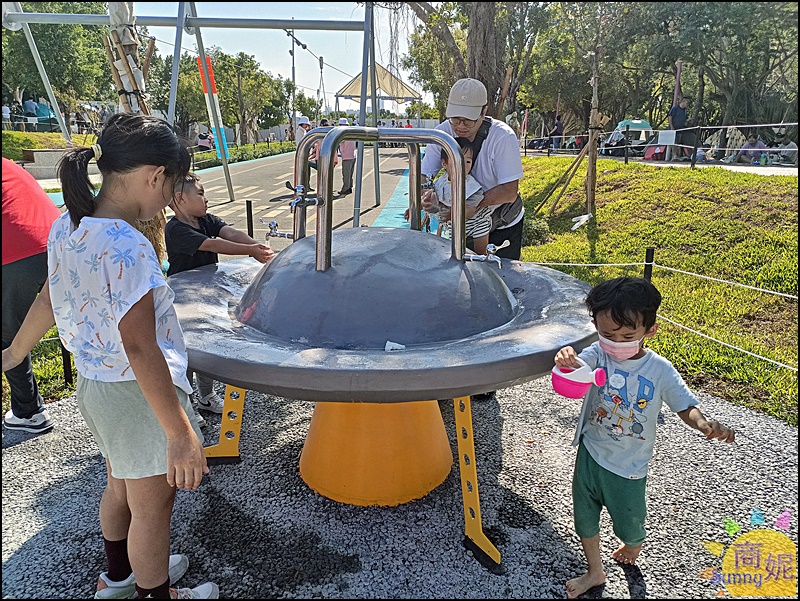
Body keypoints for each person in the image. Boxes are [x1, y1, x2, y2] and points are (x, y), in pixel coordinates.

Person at [1, 113, 219, 600]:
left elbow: (49, 298)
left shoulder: (68, 226)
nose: (167, 201)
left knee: (120, 485)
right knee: (152, 508)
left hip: (95, 389)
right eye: (170, 188)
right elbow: (140, 346)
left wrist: (15, 350)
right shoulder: (128, 246)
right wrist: (180, 432)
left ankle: (118, 576)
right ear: (154, 175)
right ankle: (154, 591)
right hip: (137, 394)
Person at [554, 277, 735, 599]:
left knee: (630, 523)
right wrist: (567, 361)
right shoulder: (599, 353)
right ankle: (594, 571)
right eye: (607, 334)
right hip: (590, 452)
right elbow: (578, 371)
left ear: (649, 330)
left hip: (628, 467)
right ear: (594, 324)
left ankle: (633, 544)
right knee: (584, 516)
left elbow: (685, 405)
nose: (615, 342)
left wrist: (704, 424)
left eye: (627, 336)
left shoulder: (660, 370)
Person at [165, 172, 273, 422]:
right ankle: (187, 405)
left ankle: (206, 396)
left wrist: (259, 247)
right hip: (183, 301)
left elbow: (230, 234)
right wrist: (250, 252)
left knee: (206, 347)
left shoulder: (206, 220)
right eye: (201, 194)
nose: (206, 199)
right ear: (180, 199)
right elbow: (212, 245)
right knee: (187, 353)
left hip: (207, 296)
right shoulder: (176, 230)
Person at [419, 78, 525, 262]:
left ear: (484, 111)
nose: (460, 126)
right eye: (455, 118)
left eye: (468, 120)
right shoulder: (441, 133)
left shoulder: (503, 137)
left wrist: (468, 205)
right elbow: (424, 176)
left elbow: (509, 192)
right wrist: (427, 194)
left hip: (502, 223)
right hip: (462, 224)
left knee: (502, 280)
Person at [2, 158, 62, 434]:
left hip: (14, 251)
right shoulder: (7, 164)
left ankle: (28, 411)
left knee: (7, 333)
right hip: (55, 240)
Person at [424, 138, 491, 255]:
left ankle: (483, 263)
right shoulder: (441, 182)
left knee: (481, 251)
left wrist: (451, 214)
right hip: (453, 224)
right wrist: (416, 206)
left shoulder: (471, 186)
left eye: (468, 162)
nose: (463, 166)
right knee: (453, 249)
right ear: (444, 163)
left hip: (477, 223)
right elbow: (433, 199)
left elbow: (470, 210)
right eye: (457, 161)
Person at [665, 96, 690, 162]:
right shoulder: (675, 108)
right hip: (674, 128)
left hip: (680, 129)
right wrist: (672, 127)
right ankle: (674, 155)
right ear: (683, 101)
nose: (688, 104)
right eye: (687, 103)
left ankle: (679, 155)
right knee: (673, 142)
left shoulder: (685, 111)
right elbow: (670, 117)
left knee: (679, 142)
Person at [337, 117, 357, 195]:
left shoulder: (343, 134)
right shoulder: (351, 132)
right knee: (350, 174)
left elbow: (340, 142)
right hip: (352, 155)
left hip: (347, 156)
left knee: (346, 174)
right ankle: (349, 187)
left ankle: (345, 188)